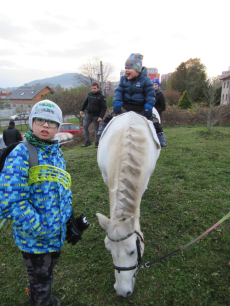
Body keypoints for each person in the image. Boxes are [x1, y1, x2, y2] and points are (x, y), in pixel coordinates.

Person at [0, 100, 88, 306]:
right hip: (36, 241)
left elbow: (62, 188)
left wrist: (67, 218)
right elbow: (11, 202)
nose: (46, 126)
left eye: (51, 122)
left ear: (58, 126)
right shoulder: (21, 154)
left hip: (55, 234)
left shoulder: (55, 151)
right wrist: (43, 228)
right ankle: (41, 301)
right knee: (42, 279)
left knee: (43, 276)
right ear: (32, 122)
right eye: (40, 120)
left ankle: (41, 296)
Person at [97, 53, 166, 147]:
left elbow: (150, 94)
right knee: (111, 115)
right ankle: (104, 126)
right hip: (126, 106)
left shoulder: (146, 80)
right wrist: (117, 103)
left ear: (137, 70)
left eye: (129, 68)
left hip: (140, 107)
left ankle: (160, 134)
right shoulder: (123, 79)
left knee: (153, 119)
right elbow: (119, 91)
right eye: (125, 68)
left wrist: (149, 106)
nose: (126, 70)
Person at [80, 82, 107, 148]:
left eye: (94, 88)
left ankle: (97, 143)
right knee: (85, 126)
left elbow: (104, 107)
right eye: (92, 88)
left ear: (98, 88)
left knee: (96, 130)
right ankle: (88, 141)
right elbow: (85, 102)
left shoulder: (101, 96)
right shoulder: (89, 94)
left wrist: (101, 116)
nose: (93, 90)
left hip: (96, 116)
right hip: (89, 114)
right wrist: (81, 110)